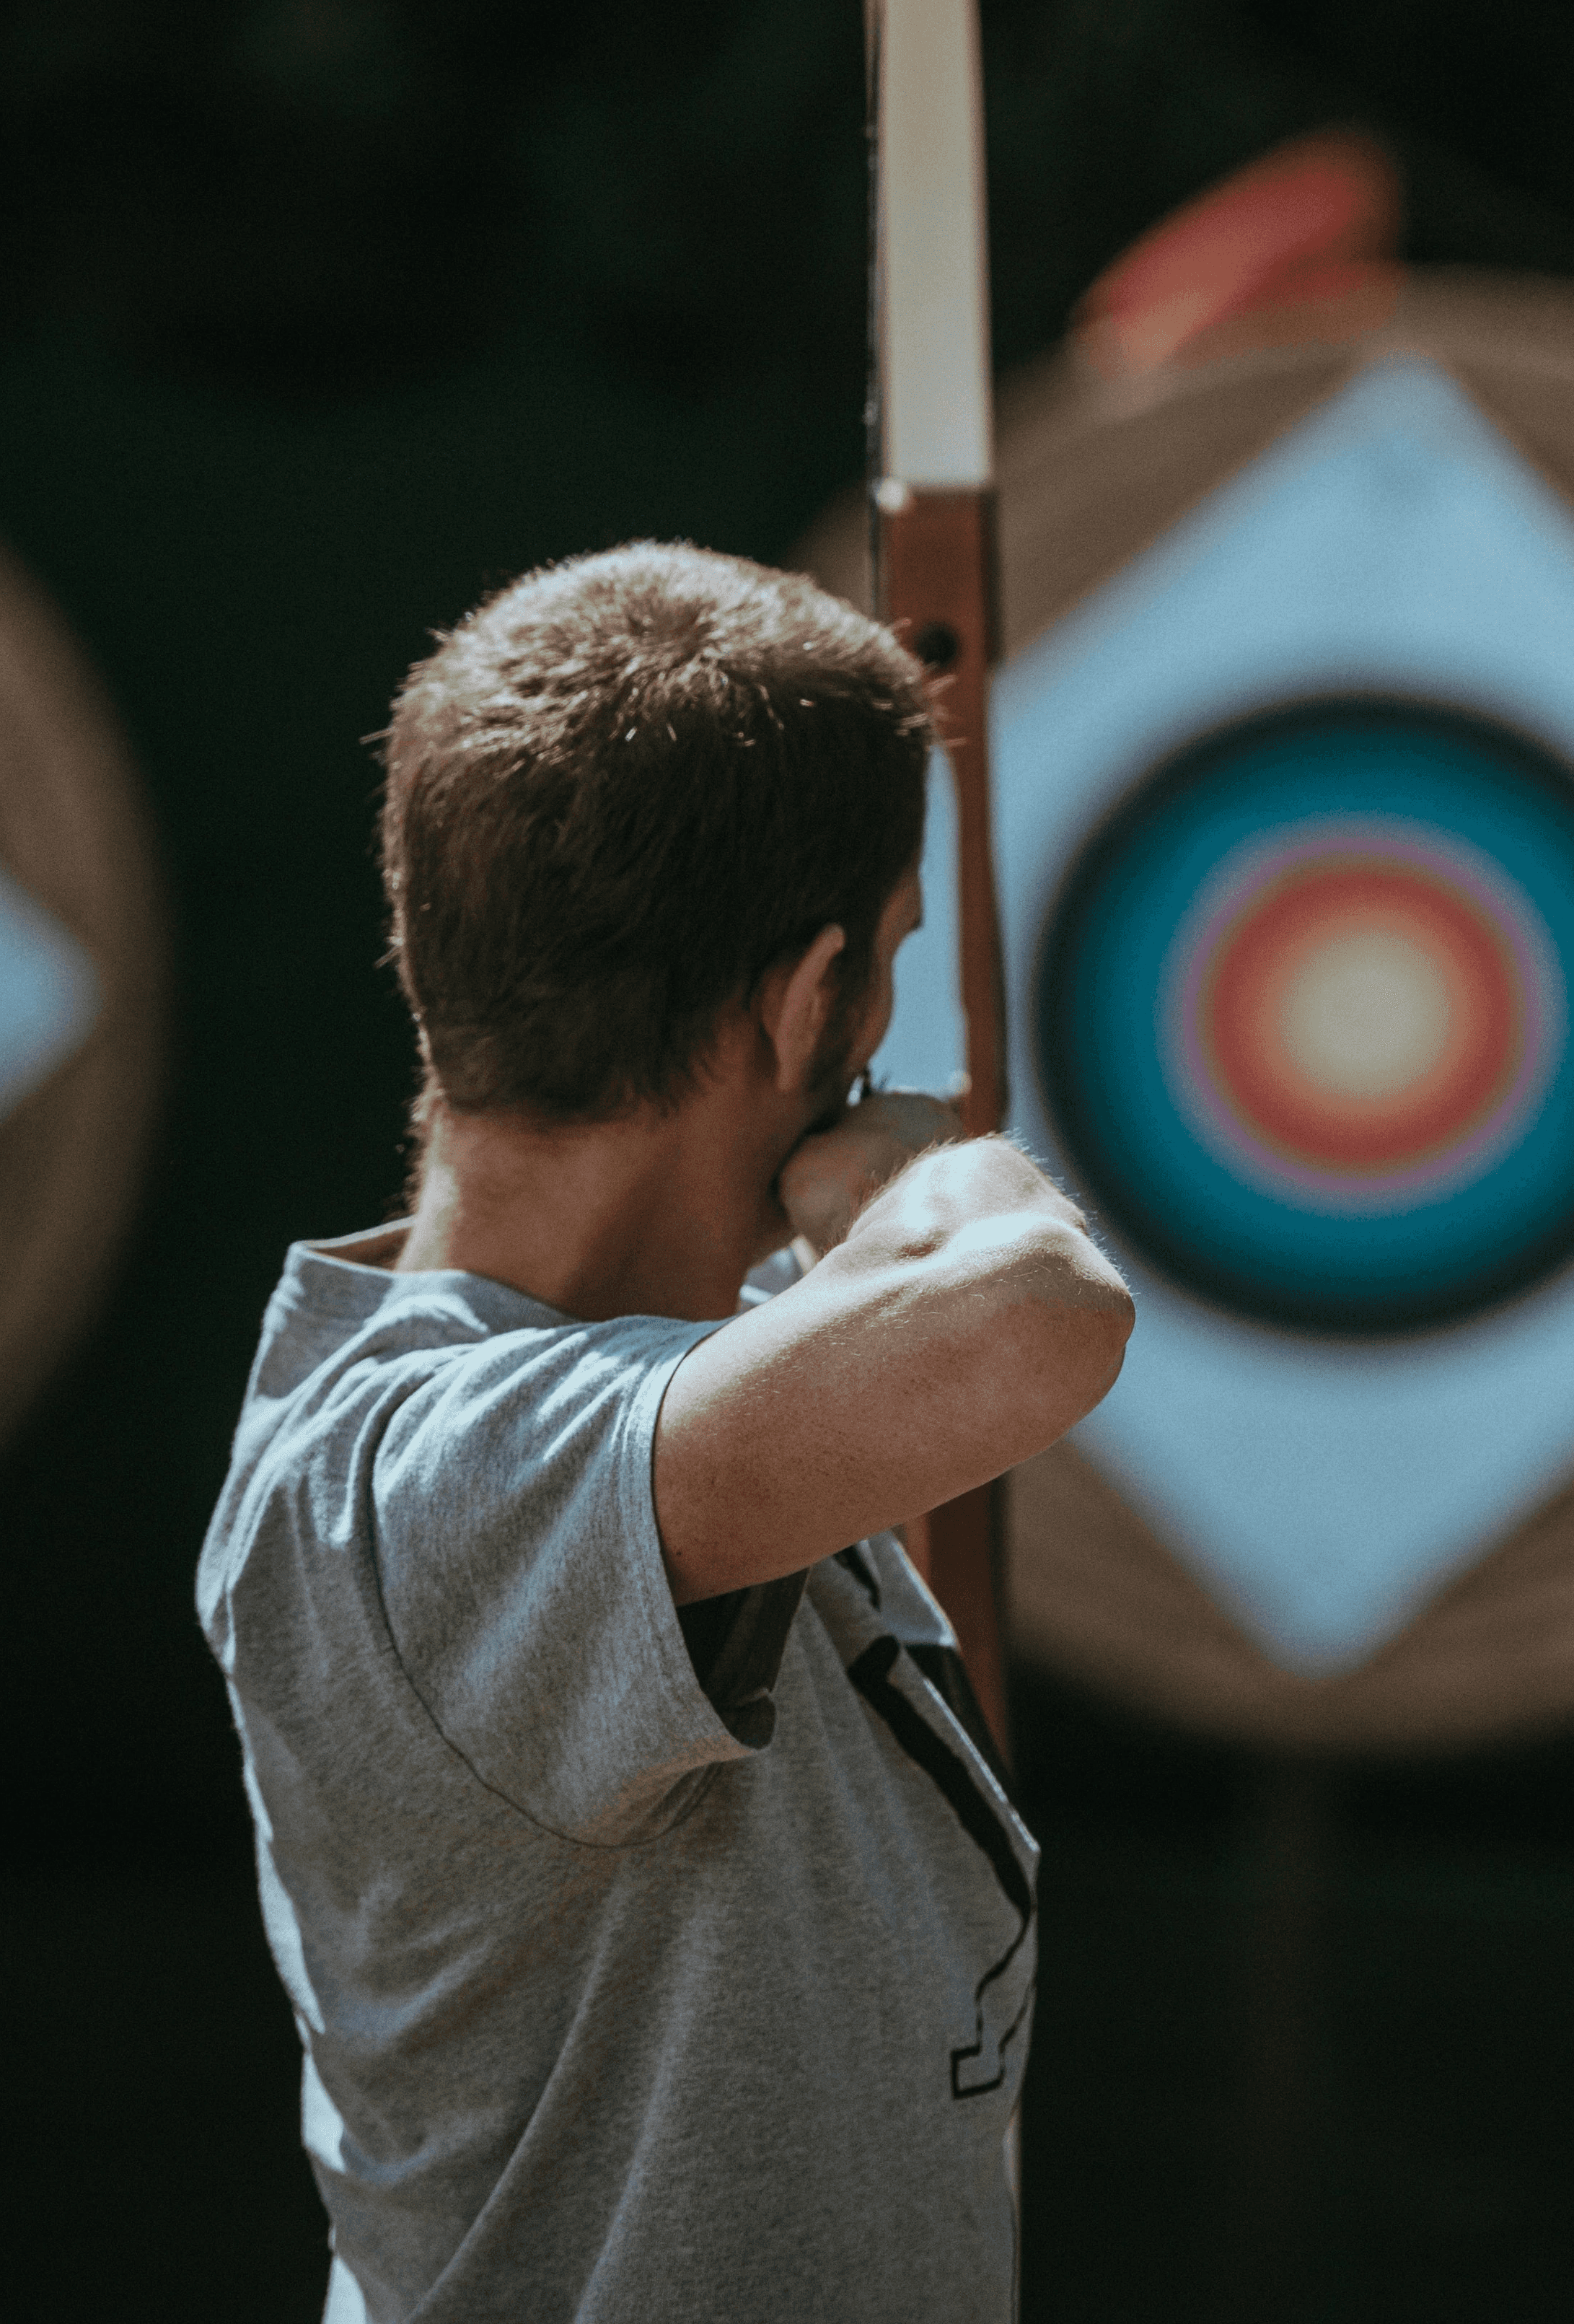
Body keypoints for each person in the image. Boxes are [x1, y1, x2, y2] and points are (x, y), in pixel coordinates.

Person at [196, 542, 1134, 2323]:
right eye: (886, 970)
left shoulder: (691, 1383)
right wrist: (922, 1177)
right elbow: (1033, 1319)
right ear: (807, 999)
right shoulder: (415, 1480)